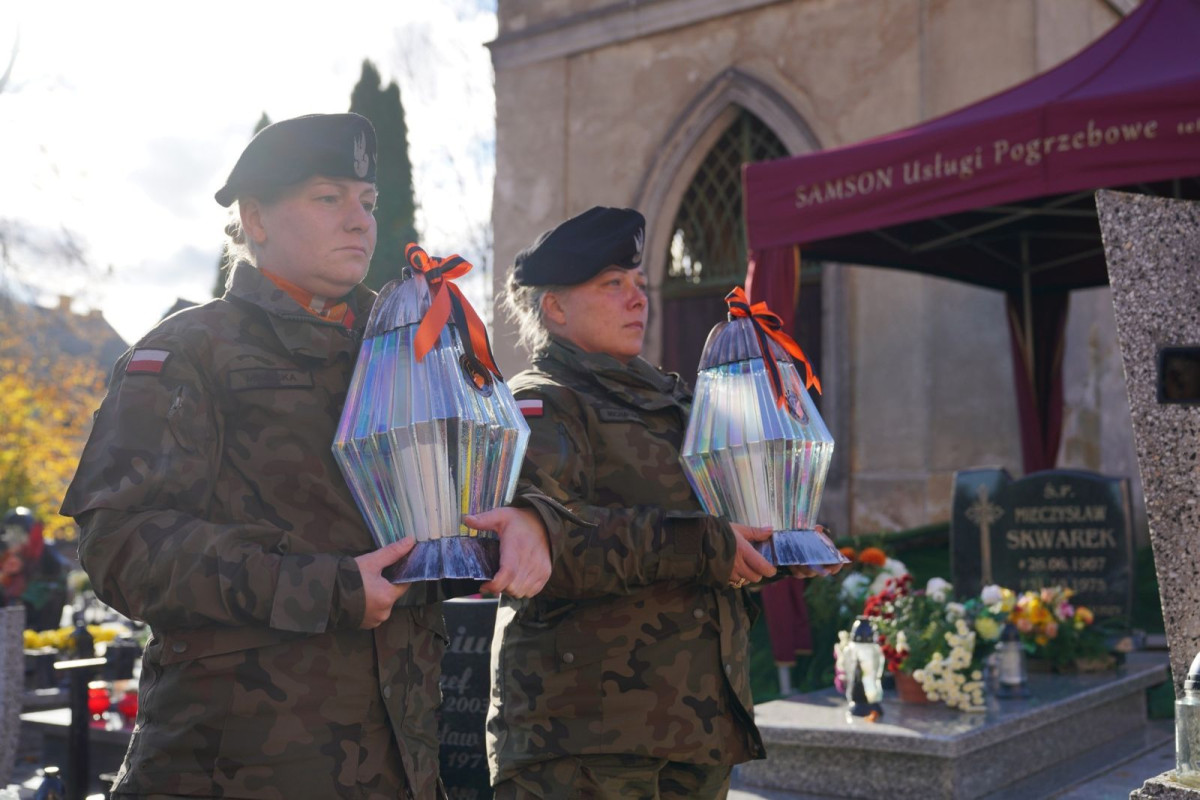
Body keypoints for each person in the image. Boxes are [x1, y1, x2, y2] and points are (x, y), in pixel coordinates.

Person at [61, 112, 552, 800]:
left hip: (401, 767)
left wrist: (526, 521)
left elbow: (471, 488)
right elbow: (122, 545)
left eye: (368, 202)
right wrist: (326, 588)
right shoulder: (190, 351)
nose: (359, 221)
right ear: (255, 218)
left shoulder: (411, 348)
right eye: (328, 198)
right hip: (236, 770)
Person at [485, 207, 843, 799]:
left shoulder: (674, 403)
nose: (637, 299)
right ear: (555, 308)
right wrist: (707, 544)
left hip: (697, 731)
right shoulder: (541, 403)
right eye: (612, 284)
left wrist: (774, 543)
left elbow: (719, 533)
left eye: (640, 284)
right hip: (585, 740)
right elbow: (548, 541)